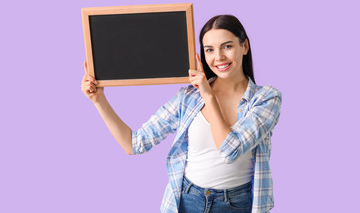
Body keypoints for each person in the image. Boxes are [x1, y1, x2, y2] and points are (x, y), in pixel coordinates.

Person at [81, 15, 282, 213]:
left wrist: (208, 96)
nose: (218, 57)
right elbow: (133, 144)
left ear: (244, 46)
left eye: (227, 46)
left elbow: (230, 150)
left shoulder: (266, 99)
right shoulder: (188, 98)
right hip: (187, 200)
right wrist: (99, 101)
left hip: (237, 204)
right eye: (209, 50)